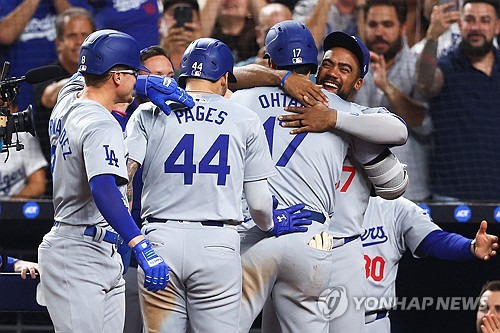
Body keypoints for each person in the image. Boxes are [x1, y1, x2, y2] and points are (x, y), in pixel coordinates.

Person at [231, 21, 408, 333]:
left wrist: (334, 119)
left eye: (344, 68)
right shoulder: (342, 111)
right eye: (328, 63)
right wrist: (284, 80)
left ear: (357, 83)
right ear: (315, 66)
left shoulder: (354, 120)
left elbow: (396, 162)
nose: (333, 72)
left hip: (327, 242)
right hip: (312, 239)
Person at [125, 37, 308, 333]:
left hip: (160, 241)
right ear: (224, 78)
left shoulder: (149, 112)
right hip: (217, 245)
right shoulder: (244, 118)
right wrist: (270, 222)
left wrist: (132, 236)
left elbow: (125, 177)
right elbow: (260, 204)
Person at [37, 29, 192, 333]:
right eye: (134, 73)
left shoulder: (67, 101)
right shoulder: (100, 122)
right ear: (117, 77)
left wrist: (143, 83)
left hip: (99, 252)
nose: (138, 79)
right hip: (78, 252)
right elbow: (103, 188)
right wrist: (141, 244)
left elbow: (80, 77)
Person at [359, 197, 498, 332]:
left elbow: (436, 240)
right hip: (339, 310)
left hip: (373, 321)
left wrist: (470, 246)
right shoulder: (337, 207)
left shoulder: (394, 207)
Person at [111, 45, 176, 333]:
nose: (166, 83)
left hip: (168, 243)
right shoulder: (114, 119)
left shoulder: (185, 119)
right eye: (157, 76)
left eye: (171, 75)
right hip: (125, 243)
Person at [416, 0, 500, 201]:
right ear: (459, 24)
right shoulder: (445, 67)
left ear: (497, 26)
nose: (476, 27)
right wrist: (432, 37)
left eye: (484, 20)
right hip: (452, 196)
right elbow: (424, 83)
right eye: (469, 20)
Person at [33, 7, 95, 196]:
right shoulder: (47, 74)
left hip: (96, 172)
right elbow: (49, 96)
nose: (79, 42)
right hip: (57, 184)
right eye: (72, 35)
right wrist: (94, 79)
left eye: (85, 35)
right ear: (59, 43)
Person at [0, 0, 83, 111]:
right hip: (21, 88)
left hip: (56, 81)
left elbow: (80, 22)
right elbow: (5, 35)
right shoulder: (6, 3)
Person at [159, 0, 203, 71]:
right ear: (161, 22)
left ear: (199, 22)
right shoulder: (147, 59)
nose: (180, 20)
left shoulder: (214, 60)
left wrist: (201, 48)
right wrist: (162, 53)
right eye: (175, 13)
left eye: (187, 14)